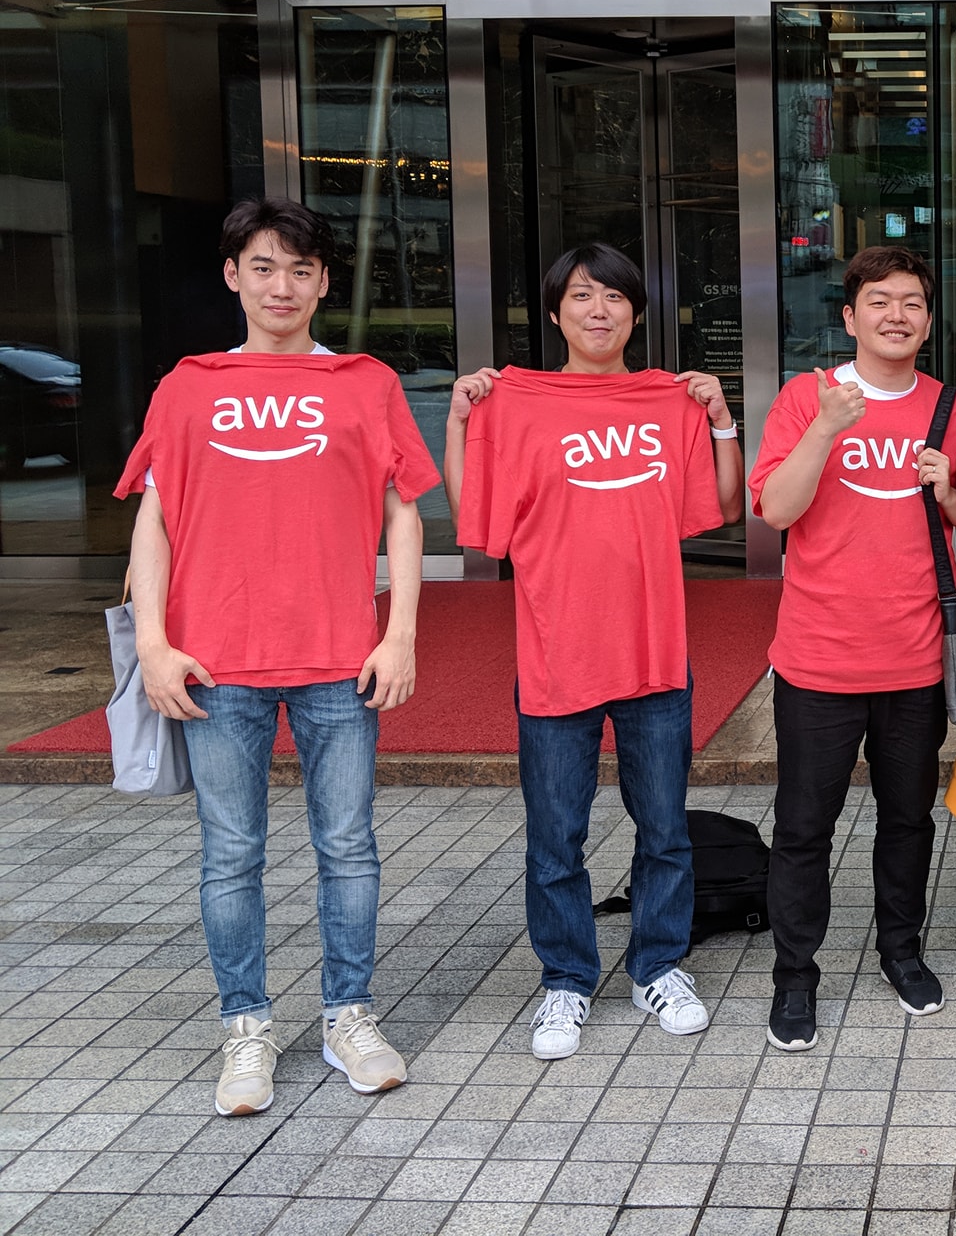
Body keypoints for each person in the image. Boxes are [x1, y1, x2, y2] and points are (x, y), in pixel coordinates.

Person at [118, 197, 438, 1116]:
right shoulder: (188, 385)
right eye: (263, 267)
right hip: (216, 662)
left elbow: (405, 512)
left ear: (325, 282)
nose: (281, 286)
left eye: (300, 270)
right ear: (233, 276)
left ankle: (348, 1016)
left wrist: (401, 633)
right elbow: (154, 520)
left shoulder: (366, 384)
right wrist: (153, 643)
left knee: (349, 848)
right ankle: (246, 1027)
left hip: (340, 655)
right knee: (231, 854)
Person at [444, 242, 743, 1062]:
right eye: (581, 296)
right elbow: (473, 514)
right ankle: (566, 980)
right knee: (555, 839)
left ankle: (658, 967)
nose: (598, 310)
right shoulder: (517, 404)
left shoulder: (666, 402)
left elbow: (721, 507)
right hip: (555, 654)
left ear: (636, 313)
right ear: (555, 313)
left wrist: (720, 418)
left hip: (654, 652)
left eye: (614, 296)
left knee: (666, 831)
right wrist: (460, 420)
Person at [749, 246, 956, 1051]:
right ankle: (796, 975)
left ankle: (902, 950)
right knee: (803, 826)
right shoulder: (807, 397)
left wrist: (949, 490)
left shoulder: (948, 406)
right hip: (818, 659)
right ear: (851, 316)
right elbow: (776, 511)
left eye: (912, 304)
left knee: (907, 819)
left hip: (916, 657)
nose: (897, 316)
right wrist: (827, 428)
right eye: (880, 301)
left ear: (928, 322)